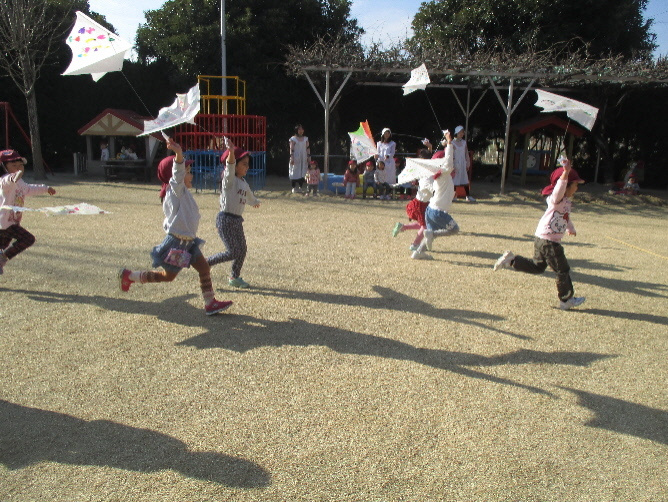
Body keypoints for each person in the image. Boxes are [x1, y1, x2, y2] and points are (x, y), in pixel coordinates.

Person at [118, 138, 232, 316]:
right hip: (177, 244)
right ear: (175, 176)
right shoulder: (175, 190)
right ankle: (130, 276)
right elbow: (177, 175)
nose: (191, 175)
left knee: (203, 268)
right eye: (188, 172)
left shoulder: (182, 192)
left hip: (189, 242)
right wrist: (178, 154)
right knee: (168, 277)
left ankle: (210, 303)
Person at [493, 158, 586, 310]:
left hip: (542, 238)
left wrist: (570, 228)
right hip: (549, 241)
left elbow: (565, 217)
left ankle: (512, 260)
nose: (577, 188)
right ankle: (566, 299)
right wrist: (565, 173)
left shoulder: (566, 202)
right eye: (575, 184)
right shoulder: (556, 198)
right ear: (566, 185)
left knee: (538, 267)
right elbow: (559, 188)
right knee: (562, 269)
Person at [207, 138, 260, 288]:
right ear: (235, 165)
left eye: (248, 164)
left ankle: (234, 277)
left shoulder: (243, 182)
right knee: (233, 251)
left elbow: (249, 195)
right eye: (244, 164)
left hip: (237, 220)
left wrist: (255, 202)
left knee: (242, 250)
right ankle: (207, 262)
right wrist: (230, 152)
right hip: (225, 220)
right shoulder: (229, 180)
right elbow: (229, 167)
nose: (247, 167)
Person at [0, 150, 56, 275]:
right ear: (3, 166)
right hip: (5, 223)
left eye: (21, 165)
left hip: (12, 222)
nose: (18, 168)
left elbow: (29, 189)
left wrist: (46, 188)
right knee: (28, 239)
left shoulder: (20, 183)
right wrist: (16, 175)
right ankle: (2, 258)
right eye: (14, 165)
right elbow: (9, 180)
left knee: (2, 246)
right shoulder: (4, 181)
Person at [412, 131, 460, 259]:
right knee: (454, 229)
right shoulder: (444, 172)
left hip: (430, 210)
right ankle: (431, 236)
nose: (452, 161)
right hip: (437, 211)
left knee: (430, 233)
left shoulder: (439, 173)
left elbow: (444, 160)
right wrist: (449, 142)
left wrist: (445, 146)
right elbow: (448, 160)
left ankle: (418, 253)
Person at [392, 148, 434, 252]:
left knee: (422, 224)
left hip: (421, 202)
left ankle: (402, 227)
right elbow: (429, 187)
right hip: (421, 204)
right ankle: (415, 244)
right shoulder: (427, 175)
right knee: (425, 226)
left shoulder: (424, 171)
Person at [452, 125, 475, 202]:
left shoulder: (464, 142)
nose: (462, 134)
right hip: (455, 163)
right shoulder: (452, 143)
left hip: (463, 163)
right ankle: (454, 196)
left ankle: (468, 196)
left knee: (465, 179)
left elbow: (466, 154)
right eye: (460, 132)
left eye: (462, 132)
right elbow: (451, 154)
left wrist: (467, 163)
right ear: (457, 133)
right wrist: (452, 164)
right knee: (455, 180)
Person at [289, 124, 310, 193]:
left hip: (303, 157)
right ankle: (294, 187)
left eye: (302, 129)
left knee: (303, 171)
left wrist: (308, 156)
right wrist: (292, 157)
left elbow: (308, 148)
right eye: (299, 129)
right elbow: (291, 149)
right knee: (294, 171)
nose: (301, 131)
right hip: (296, 156)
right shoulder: (293, 139)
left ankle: (300, 187)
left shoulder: (306, 138)